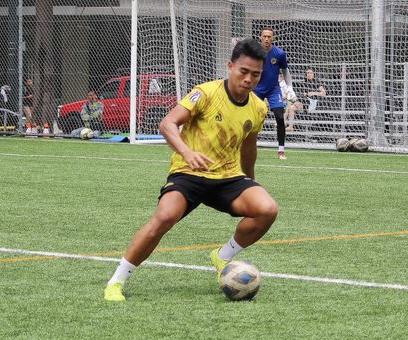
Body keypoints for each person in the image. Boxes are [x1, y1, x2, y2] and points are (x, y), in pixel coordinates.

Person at [104, 38, 278, 302]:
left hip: (228, 178)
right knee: (164, 218)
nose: (248, 79)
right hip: (189, 173)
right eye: (243, 71)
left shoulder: (258, 107)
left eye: (255, 74)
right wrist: (186, 152)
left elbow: (249, 148)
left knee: (267, 209)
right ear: (230, 66)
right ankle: (116, 281)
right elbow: (167, 124)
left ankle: (223, 257)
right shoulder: (206, 93)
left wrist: (251, 182)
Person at [254, 27, 293, 160]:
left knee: (280, 117)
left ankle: (281, 151)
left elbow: (285, 71)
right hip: (256, 89)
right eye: (264, 36)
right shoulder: (254, 52)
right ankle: (250, 145)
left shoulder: (279, 53)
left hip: (273, 89)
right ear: (260, 37)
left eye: (269, 36)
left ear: (273, 38)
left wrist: (290, 88)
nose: (266, 39)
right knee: (252, 118)